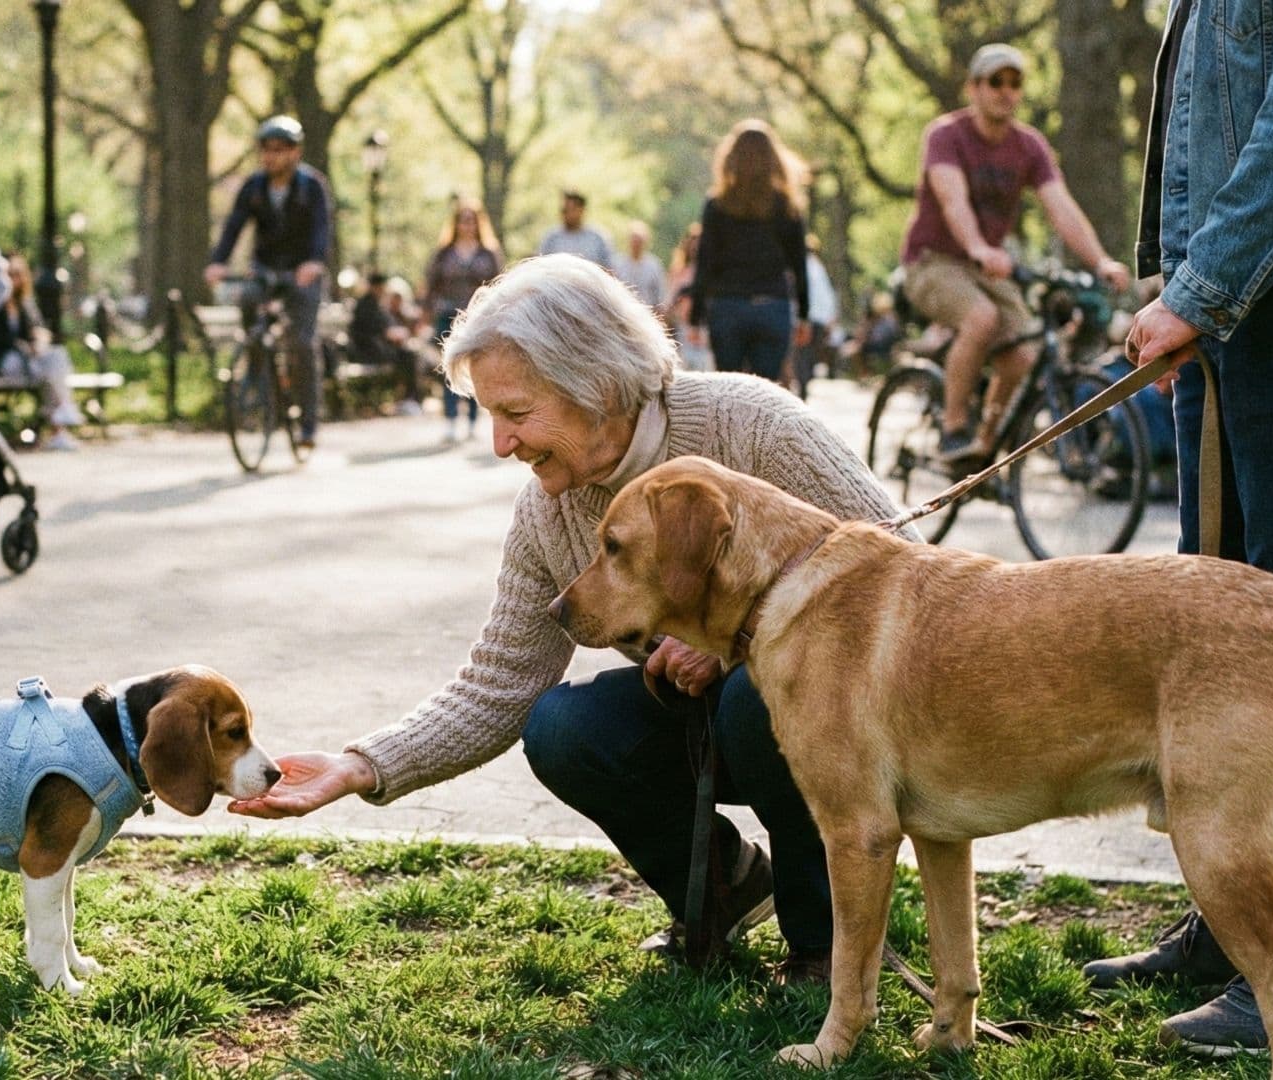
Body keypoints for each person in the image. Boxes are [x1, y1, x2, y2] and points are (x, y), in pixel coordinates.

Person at [230, 254, 917, 986]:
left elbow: (902, 568)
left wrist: (737, 648)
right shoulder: (548, 509)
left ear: (595, 387)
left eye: (516, 414)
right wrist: (360, 765)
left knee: (762, 697)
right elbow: (497, 685)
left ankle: (828, 945)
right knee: (561, 727)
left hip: (831, 715)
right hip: (706, 723)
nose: (501, 444)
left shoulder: (750, 424)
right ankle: (722, 888)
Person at [1082, 0, 1273, 1057]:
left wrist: (1206, 284)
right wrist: (1181, 284)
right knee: (1219, 640)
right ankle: (1242, 919)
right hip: (1230, 314)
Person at [899, 43, 1129, 465]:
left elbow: (1061, 207)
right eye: (995, 82)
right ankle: (952, 427)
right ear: (973, 88)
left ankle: (982, 446)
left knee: (1024, 353)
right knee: (981, 317)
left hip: (987, 265)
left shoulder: (1029, 146)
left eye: (1015, 82)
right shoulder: (945, 136)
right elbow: (953, 202)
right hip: (933, 260)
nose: (1006, 91)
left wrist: (1100, 261)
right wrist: (978, 248)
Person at [204, 115, 334, 451]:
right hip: (265, 269)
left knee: (302, 343)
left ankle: (308, 425)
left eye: (278, 150)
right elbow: (234, 227)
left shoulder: (312, 186)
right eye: (266, 150)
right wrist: (218, 262)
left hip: (301, 273)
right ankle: (256, 360)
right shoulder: (254, 187)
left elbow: (321, 230)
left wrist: (313, 263)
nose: (270, 157)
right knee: (249, 299)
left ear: (295, 152)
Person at [687, 120, 811, 385]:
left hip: (727, 307)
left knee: (729, 390)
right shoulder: (787, 206)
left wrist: (696, 317)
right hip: (772, 306)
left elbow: (705, 262)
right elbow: (799, 264)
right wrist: (803, 315)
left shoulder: (717, 204)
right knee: (765, 393)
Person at [0, 253, 83, 451]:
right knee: (43, 370)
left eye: (18, 273)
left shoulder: (24, 303)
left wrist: (39, 340)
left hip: (30, 361)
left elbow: (38, 328)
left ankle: (61, 420)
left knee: (56, 355)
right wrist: (25, 347)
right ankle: (61, 415)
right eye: (10, 273)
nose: (14, 279)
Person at [420, 198, 503, 443]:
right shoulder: (444, 254)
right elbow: (431, 286)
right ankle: (450, 418)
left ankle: (473, 420)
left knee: (476, 366)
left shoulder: (488, 254)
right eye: (463, 220)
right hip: (446, 314)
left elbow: (499, 285)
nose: (467, 225)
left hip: (478, 316)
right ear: (456, 223)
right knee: (449, 365)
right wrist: (425, 314)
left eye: (472, 220)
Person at [346, 273, 423, 412]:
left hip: (377, 347)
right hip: (367, 350)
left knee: (409, 354)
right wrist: (388, 333)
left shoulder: (377, 303)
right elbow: (374, 329)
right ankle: (410, 399)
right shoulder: (366, 304)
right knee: (408, 356)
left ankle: (409, 398)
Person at [792, 236, 840, 399]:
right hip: (819, 318)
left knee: (802, 354)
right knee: (810, 353)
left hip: (805, 318)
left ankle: (803, 382)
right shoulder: (819, 268)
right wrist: (830, 318)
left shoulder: (798, 266)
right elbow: (828, 296)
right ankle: (805, 382)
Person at [666, 223, 712, 372]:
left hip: (706, 328)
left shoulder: (712, 273)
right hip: (683, 327)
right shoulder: (679, 272)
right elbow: (670, 302)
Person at [536, 190, 613, 269]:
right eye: (563, 210)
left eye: (570, 209)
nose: (565, 214)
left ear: (581, 210)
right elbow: (540, 266)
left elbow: (609, 268)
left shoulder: (597, 238)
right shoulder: (551, 238)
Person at [612, 220, 668, 312]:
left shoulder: (654, 265)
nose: (636, 244)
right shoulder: (617, 262)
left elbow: (660, 296)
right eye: (634, 240)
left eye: (639, 241)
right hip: (622, 311)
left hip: (646, 313)